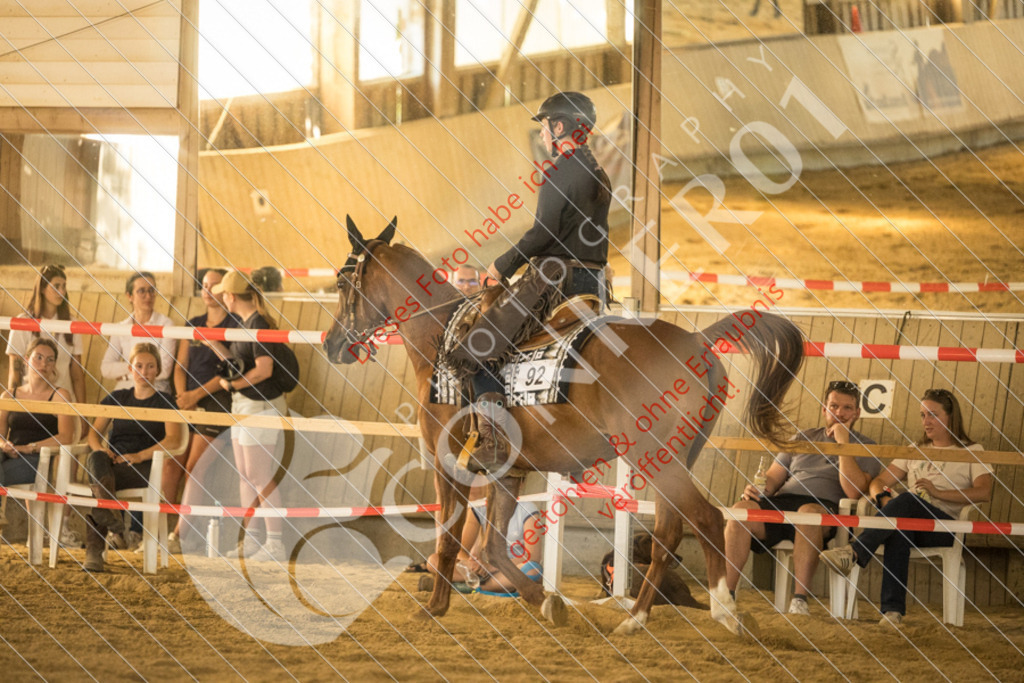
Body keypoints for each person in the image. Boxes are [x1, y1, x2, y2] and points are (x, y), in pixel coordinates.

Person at [445, 91, 611, 474]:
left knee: (475, 350)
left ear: (559, 126)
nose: (543, 138)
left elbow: (540, 235)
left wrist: (500, 266)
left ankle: (491, 441)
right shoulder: (597, 172)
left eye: (545, 128)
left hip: (558, 283)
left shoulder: (560, 170)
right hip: (595, 284)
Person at [819, 388, 994, 627]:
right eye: (922, 415)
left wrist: (938, 493)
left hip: (944, 527)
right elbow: (878, 482)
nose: (926, 421)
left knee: (909, 501)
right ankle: (892, 613)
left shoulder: (973, 451)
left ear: (951, 417)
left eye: (933, 414)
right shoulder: (914, 449)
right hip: (911, 522)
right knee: (899, 524)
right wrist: (883, 500)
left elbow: (983, 491)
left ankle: (855, 552)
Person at [724, 380, 882, 615]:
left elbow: (853, 491)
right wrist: (757, 489)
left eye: (847, 408)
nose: (839, 413)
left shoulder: (866, 446)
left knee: (808, 514)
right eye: (834, 406)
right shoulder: (803, 437)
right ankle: (727, 594)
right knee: (740, 510)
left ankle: (799, 600)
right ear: (824, 409)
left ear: (857, 413)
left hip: (823, 509)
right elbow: (773, 478)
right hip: (784, 504)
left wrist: (843, 443)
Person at [206, 270, 289, 562]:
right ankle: (253, 539)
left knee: (258, 474)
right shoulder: (248, 323)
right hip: (245, 404)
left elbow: (263, 369)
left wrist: (233, 384)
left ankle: (274, 542)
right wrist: (217, 348)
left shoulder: (259, 323)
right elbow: (242, 364)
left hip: (260, 405)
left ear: (230, 296)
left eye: (223, 294)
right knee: (246, 474)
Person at [83, 343, 182, 571]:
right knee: (96, 460)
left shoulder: (165, 401)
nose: (144, 371)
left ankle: (95, 553)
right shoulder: (117, 397)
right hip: (112, 463)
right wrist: (102, 449)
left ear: (157, 370)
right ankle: (111, 517)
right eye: (139, 366)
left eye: (150, 366)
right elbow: (92, 435)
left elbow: (174, 440)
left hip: (144, 467)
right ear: (129, 368)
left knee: (99, 486)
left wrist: (140, 455)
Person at [166, 269, 239, 552]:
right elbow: (179, 367)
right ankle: (161, 529)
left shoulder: (234, 325)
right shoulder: (193, 324)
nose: (207, 291)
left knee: (195, 468)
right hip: (187, 402)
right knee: (172, 463)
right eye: (204, 286)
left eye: (213, 286)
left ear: (225, 290)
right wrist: (183, 396)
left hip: (217, 402)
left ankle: (180, 535)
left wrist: (197, 395)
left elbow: (230, 373)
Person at [426, 484, 543, 594]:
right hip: (484, 572)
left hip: (513, 568)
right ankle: (491, 586)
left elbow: (532, 556)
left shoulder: (527, 507)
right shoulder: (479, 507)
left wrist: (493, 567)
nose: (502, 484)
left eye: (509, 480)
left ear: (521, 483)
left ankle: (463, 587)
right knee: (433, 561)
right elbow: (459, 550)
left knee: (532, 569)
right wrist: (473, 564)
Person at [0, 339, 75, 493]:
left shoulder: (59, 395)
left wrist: (30, 448)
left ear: (54, 365)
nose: (44, 364)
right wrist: (4, 445)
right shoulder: (9, 395)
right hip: (9, 454)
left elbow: (66, 436)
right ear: (27, 360)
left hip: (38, 459)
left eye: (50, 360)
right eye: (38, 357)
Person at [6, 264, 86, 403]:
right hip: (31, 401)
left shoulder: (71, 322)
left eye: (64, 286)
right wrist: (14, 408)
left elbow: (77, 375)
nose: (61, 291)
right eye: (56, 286)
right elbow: (15, 370)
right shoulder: (23, 322)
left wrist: (83, 413)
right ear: (42, 288)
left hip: (63, 401)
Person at [101, 272, 177, 394]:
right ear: (129, 296)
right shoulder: (121, 328)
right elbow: (106, 369)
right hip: (124, 389)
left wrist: (127, 375)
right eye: (142, 291)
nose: (148, 296)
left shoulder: (166, 325)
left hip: (155, 390)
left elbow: (164, 371)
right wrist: (143, 368)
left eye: (152, 290)